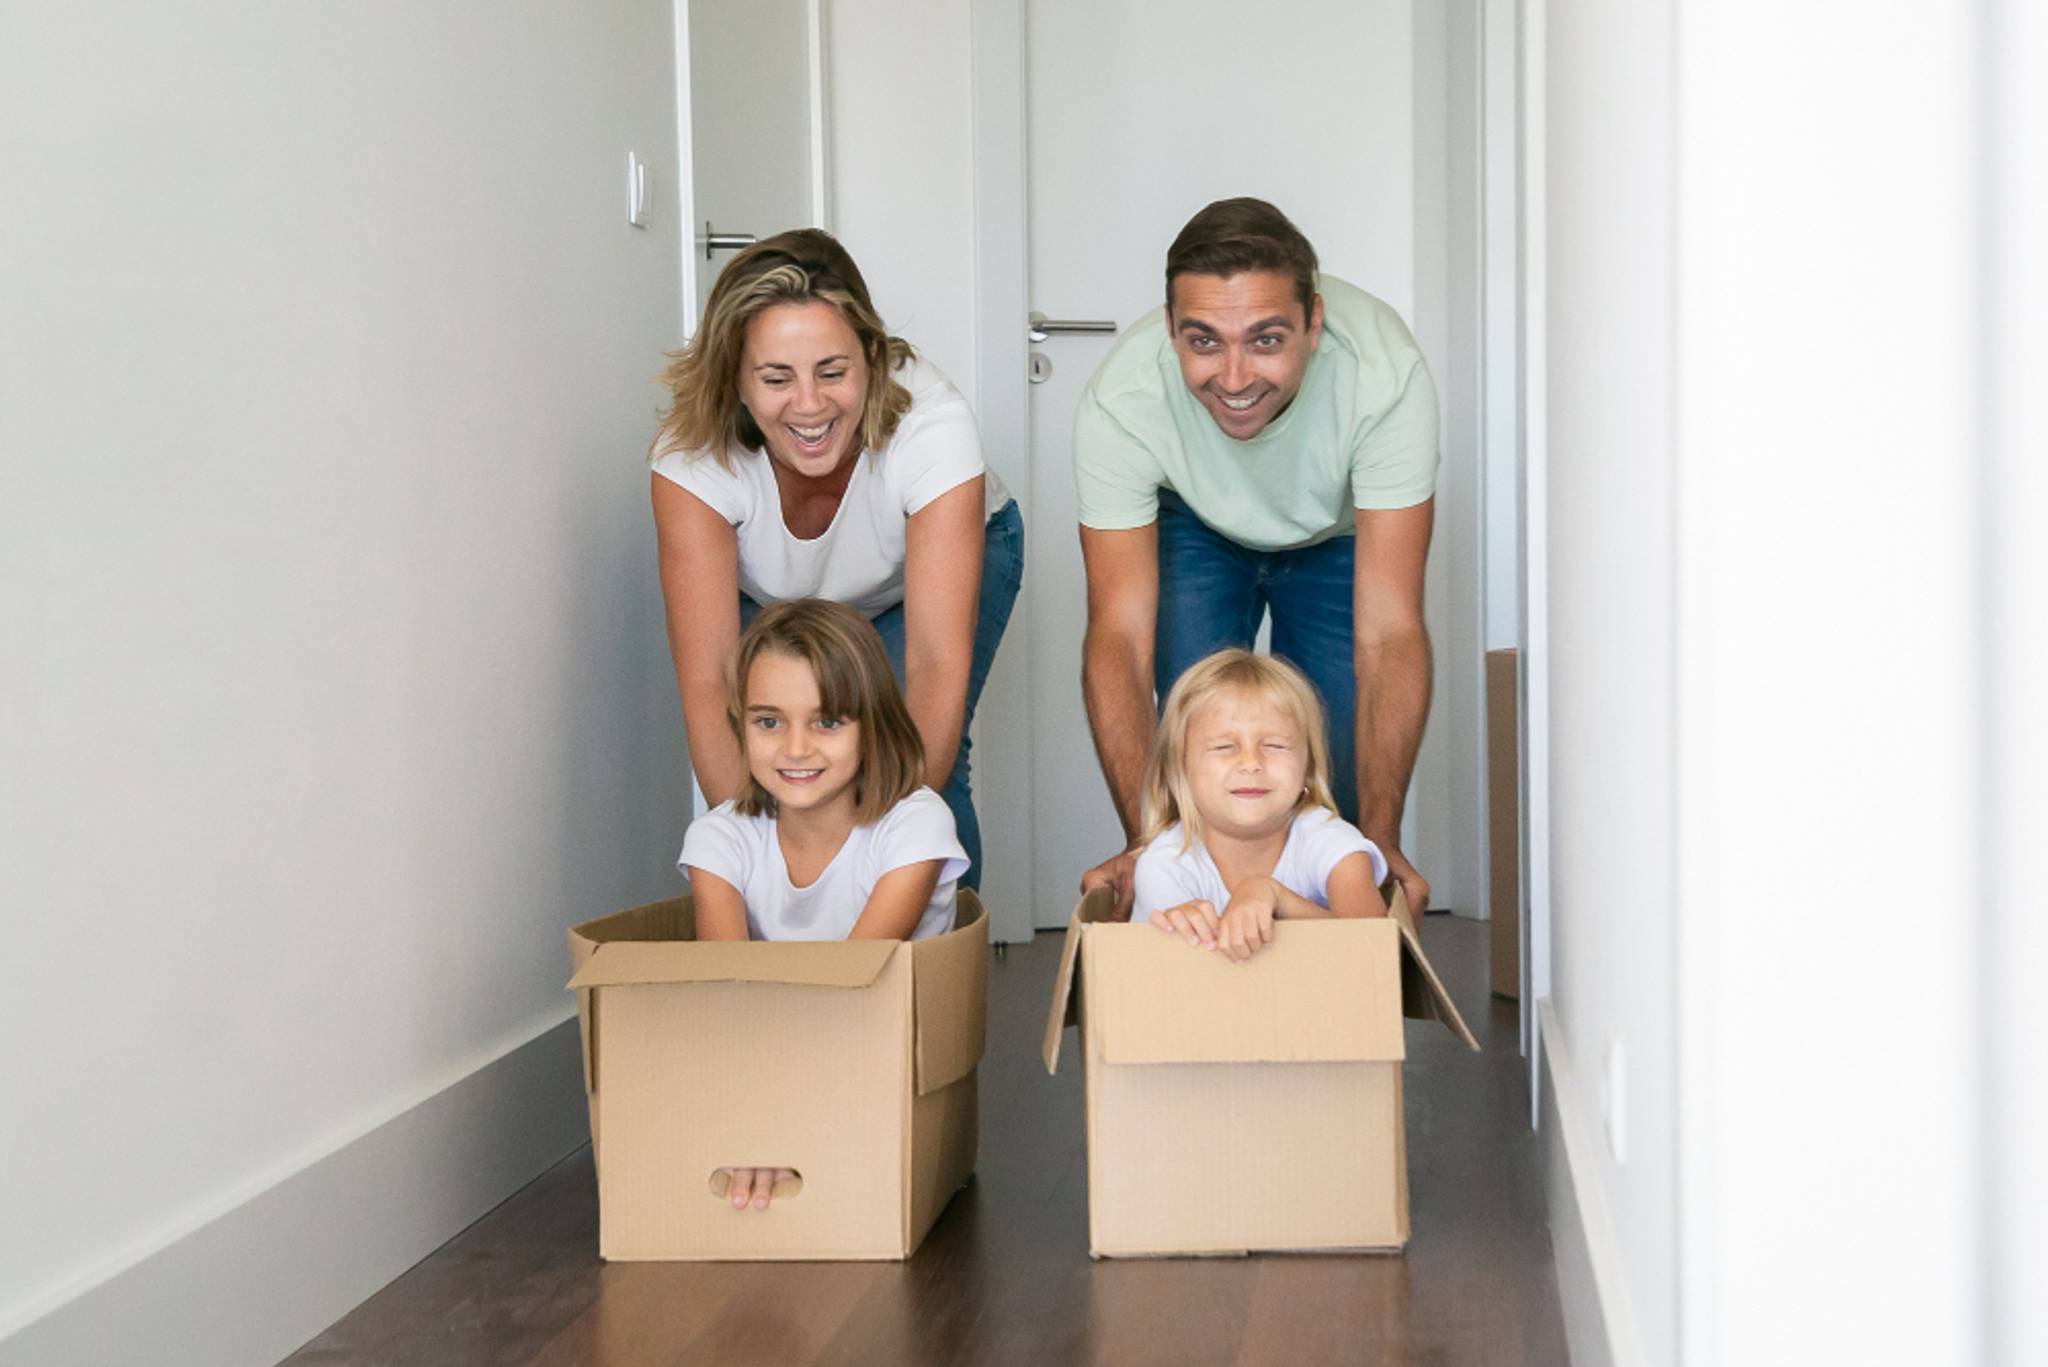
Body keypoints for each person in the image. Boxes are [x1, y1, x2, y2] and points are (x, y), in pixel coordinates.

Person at [1073, 197, 1437, 917]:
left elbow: (1391, 630)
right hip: (1196, 521)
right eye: (1204, 342)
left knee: (1330, 779)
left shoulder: (1385, 375)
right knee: (1205, 751)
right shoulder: (1122, 399)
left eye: (1266, 340)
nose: (1234, 378)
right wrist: (1151, 842)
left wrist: (1382, 838)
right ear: (1171, 332)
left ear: (1314, 323)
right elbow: (1118, 636)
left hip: (1335, 534)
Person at [649, 229, 1021, 890]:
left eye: (832, 371)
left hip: (924, 575)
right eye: (775, 378)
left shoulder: (933, 424)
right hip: (772, 596)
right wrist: (760, 860)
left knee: (910, 766)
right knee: (776, 767)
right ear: (734, 377)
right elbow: (710, 685)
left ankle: (937, 976)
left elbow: (935, 661)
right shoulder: (692, 458)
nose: (811, 405)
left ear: (872, 359)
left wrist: (880, 857)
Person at [679, 599, 969, 1210]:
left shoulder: (915, 827)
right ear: (740, 724)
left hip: (875, 1051)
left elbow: (854, 984)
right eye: (768, 722)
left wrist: (771, 1123)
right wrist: (754, 1119)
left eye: (828, 722)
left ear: (873, 724)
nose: (796, 748)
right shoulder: (719, 838)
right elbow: (729, 991)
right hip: (762, 1051)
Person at [1132, 650, 1387, 962]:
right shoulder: (1166, 863)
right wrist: (1182, 925)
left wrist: (1276, 896)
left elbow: (1375, 946)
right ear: (1178, 772)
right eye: (1223, 747)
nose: (1251, 762)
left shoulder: (1330, 841)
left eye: (1275, 745)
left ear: (1307, 768)